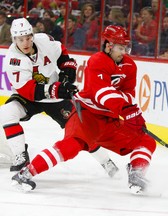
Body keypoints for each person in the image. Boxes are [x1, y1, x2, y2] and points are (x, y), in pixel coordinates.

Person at [11, 25, 156, 195]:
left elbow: (129, 94)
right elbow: (102, 93)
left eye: (125, 47)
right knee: (70, 148)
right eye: (120, 48)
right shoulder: (97, 61)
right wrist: (127, 110)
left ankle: (136, 174)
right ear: (109, 46)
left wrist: (131, 111)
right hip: (86, 117)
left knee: (146, 141)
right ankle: (26, 173)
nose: (123, 52)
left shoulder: (129, 65)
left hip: (110, 122)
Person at [0, 18, 119, 178]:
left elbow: (61, 51)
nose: (26, 42)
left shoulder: (44, 41)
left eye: (28, 37)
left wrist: (67, 68)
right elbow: (29, 90)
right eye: (21, 39)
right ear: (14, 39)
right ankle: (21, 157)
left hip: (55, 97)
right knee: (7, 113)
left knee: (82, 129)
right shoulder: (13, 60)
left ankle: (106, 162)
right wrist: (57, 89)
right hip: (29, 98)